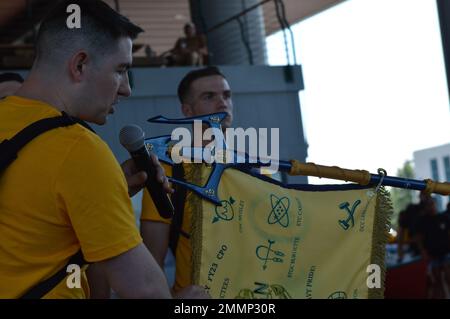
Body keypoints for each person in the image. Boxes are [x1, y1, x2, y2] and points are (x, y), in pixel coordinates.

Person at [0, 0, 207, 299]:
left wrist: (110, 190)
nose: (126, 89)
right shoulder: (78, 149)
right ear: (80, 64)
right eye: (121, 70)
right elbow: (146, 291)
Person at [140, 66, 233, 293]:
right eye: (209, 96)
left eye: (226, 95)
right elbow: (151, 263)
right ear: (188, 111)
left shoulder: (253, 167)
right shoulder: (168, 171)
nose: (223, 103)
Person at [414, 196, 450, 298]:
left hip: (446, 252)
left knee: (448, 278)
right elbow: (419, 238)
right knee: (437, 281)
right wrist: (423, 251)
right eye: (428, 205)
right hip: (433, 254)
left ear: (435, 204)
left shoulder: (444, 217)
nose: (431, 207)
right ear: (425, 207)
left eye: (432, 204)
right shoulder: (422, 221)